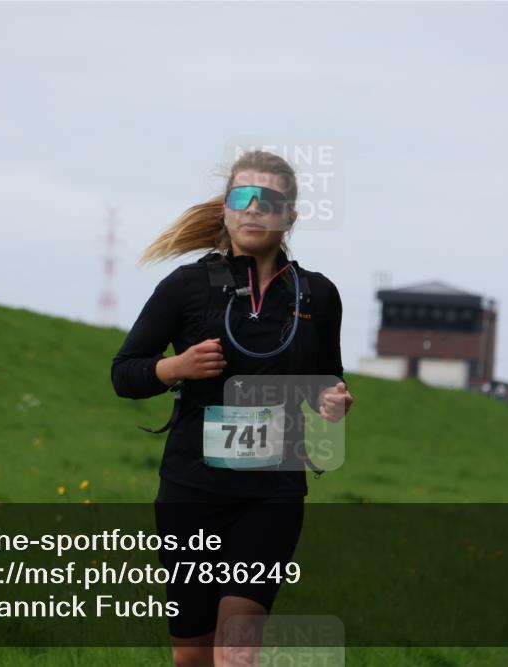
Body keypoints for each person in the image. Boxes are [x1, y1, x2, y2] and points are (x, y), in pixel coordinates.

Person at [111, 150, 354, 666]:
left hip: (271, 495)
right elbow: (124, 373)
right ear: (225, 208)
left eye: (269, 200)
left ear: (289, 216)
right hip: (190, 491)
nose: (253, 208)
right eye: (241, 197)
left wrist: (332, 399)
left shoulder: (318, 295)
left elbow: (324, 378)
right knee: (192, 657)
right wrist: (176, 369)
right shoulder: (185, 287)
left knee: (237, 653)